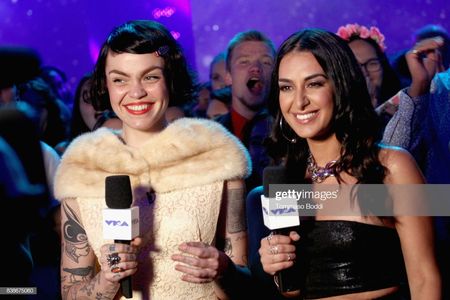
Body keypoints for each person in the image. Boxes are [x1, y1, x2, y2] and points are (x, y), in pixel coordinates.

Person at [54, 20, 251, 299]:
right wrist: (108, 280)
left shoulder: (216, 156)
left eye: (150, 77)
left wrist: (223, 269)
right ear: (106, 85)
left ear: (170, 79)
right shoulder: (84, 169)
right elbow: (70, 293)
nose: (136, 93)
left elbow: (245, 284)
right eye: (120, 79)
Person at [256, 28, 440, 299]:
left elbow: (425, 281)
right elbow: (293, 291)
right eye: (286, 87)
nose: (299, 101)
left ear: (340, 85)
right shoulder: (285, 179)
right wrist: (276, 265)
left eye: (314, 83)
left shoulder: (392, 167)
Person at [215, 30, 275, 192]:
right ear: (228, 76)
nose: (256, 68)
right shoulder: (209, 136)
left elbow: (321, 201)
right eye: (244, 62)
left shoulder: (294, 133)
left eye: (266, 62)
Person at [336, 23, 402, 127]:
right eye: (355, 66)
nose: (365, 74)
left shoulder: (401, 108)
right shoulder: (330, 116)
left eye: (372, 64)